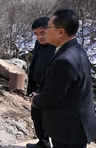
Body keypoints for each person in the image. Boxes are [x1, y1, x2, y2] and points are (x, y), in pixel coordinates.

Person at [30, 9, 96, 148]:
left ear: (60, 32)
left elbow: (52, 95)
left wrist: (35, 99)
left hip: (69, 129)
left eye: (48, 27)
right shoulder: (75, 49)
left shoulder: (65, 60)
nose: (45, 31)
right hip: (73, 124)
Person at [26, 17, 56, 148]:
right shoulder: (38, 44)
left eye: (42, 33)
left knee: (52, 120)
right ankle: (43, 143)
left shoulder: (57, 47)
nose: (39, 37)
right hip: (36, 88)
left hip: (50, 90)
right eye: (36, 34)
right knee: (37, 118)